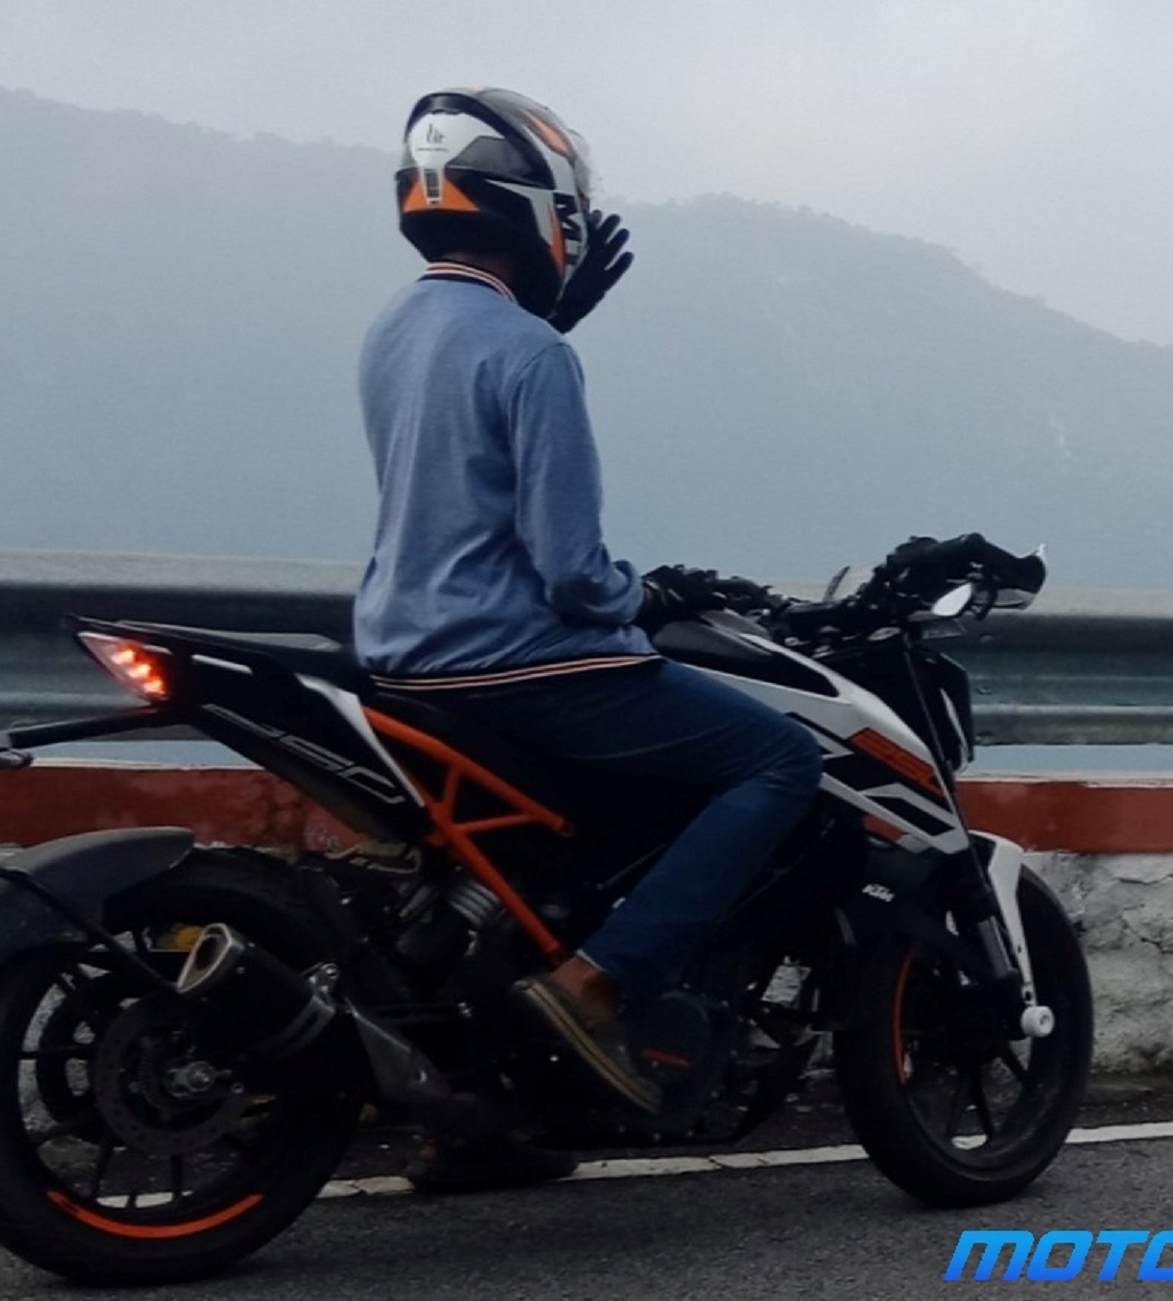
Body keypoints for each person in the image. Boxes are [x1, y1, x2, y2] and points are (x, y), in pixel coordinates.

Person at [355, 88, 824, 1183]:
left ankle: (478, 1122)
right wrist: (640, 595)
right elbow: (570, 568)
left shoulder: (394, 331)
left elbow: (456, 458)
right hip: (521, 665)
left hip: (401, 656)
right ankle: (595, 986)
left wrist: (547, 326)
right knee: (776, 758)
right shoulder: (532, 353)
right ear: (541, 209)